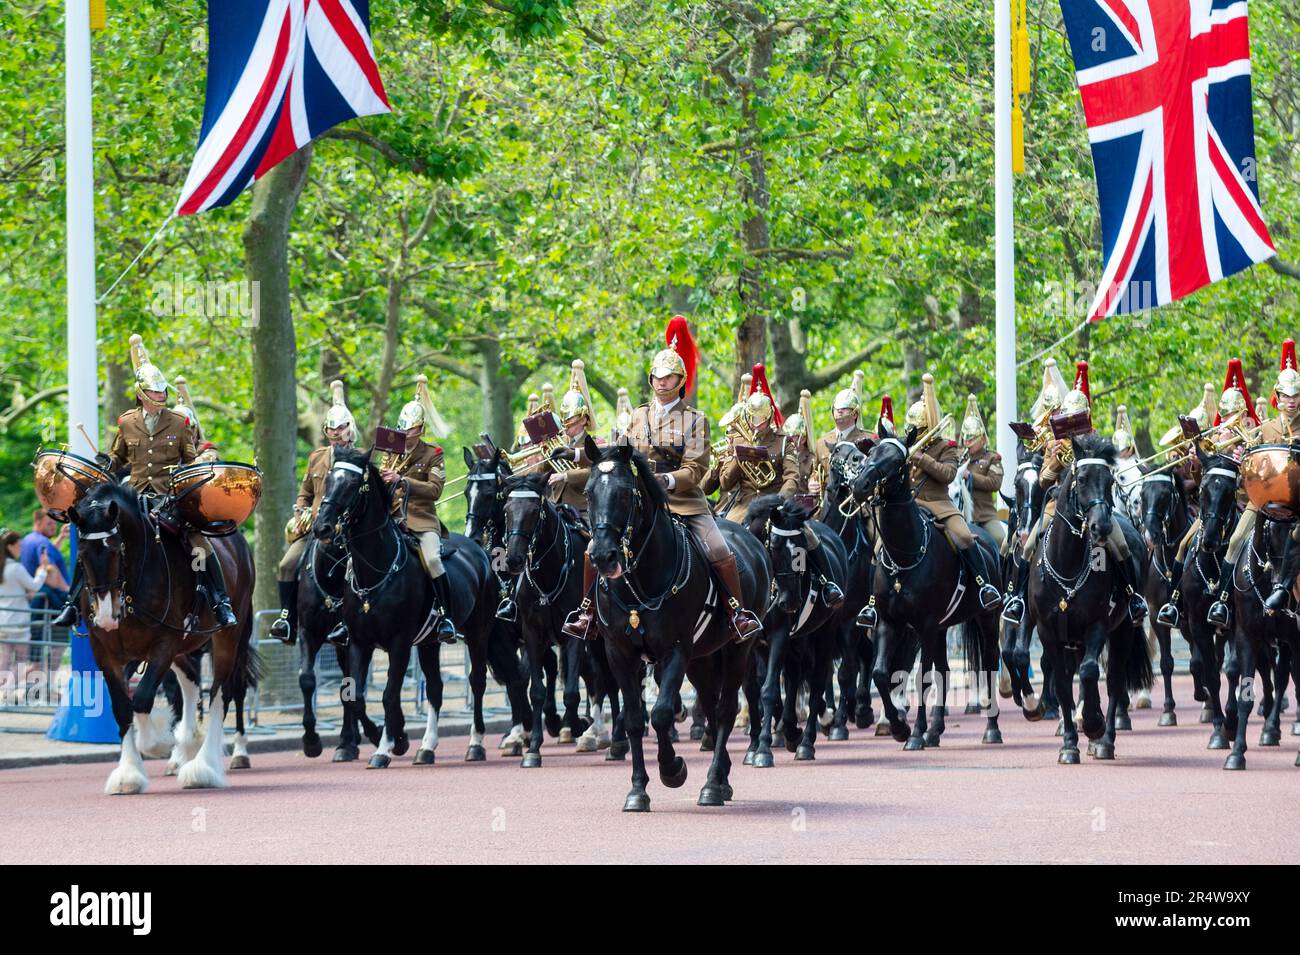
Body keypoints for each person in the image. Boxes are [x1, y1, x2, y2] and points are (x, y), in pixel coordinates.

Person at [562, 316, 763, 642]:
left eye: (669, 377)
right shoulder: (636, 416)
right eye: (657, 376)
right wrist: (575, 457)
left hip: (682, 499)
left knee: (719, 547)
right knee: (592, 549)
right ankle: (587, 612)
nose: (661, 382)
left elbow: (696, 468)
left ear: (680, 381)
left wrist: (667, 481)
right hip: (637, 500)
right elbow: (615, 455)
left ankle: (736, 612)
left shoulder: (695, 420)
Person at [55, 333, 237, 630]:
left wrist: (197, 470)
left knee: (198, 544)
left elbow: (189, 460)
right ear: (141, 393)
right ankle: (72, 604)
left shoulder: (178, 423)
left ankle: (220, 601)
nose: (161, 396)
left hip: (168, 498)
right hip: (133, 496)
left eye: (163, 392)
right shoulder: (127, 422)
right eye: (155, 392)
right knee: (95, 541)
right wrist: (107, 463)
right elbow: (118, 456)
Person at [1003, 360, 1148, 625]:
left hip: (1093, 508)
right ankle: (1018, 600)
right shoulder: (1053, 444)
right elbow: (1045, 482)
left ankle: (1133, 596)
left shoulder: (1097, 442)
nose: (1073, 424)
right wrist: (1056, 459)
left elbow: (1107, 476)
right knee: (1029, 545)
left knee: (1122, 545)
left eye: (1078, 417)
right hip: (1058, 507)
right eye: (1069, 417)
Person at [329, 374, 457, 647]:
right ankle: (345, 619)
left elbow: (434, 490)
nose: (405, 434)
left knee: (433, 560)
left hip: (421, 520)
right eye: (403, 428)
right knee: (353, 559)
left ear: (420, 429)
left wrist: (402, 480)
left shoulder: (432, 454)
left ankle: (445, 616)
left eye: (410, 430)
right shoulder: (391, 449)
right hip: (390, 519)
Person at [718, 366, 843, 608]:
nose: (755, 425)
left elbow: (792, 478)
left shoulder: (783, 443)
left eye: (760, 420)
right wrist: (737, 458)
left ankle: (828, 583)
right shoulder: (738, 441)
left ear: (768, 418)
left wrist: (779, 501)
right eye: (752, 419)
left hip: (776, 504)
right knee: (721, 539)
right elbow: (725, 483)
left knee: (808, 535)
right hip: (743, 505)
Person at [1203, 351, 1294, 624]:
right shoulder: (1265, 429)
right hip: (1264, 500)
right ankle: (1222, 602)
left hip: (1296, 502)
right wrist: (1242, 457)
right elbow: (1252, 469)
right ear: (1278, 396)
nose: (1291, 401)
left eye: (1295, 395)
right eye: (1286, 396)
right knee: (1234, 539)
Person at [902, 373, 1002, 611]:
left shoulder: (946, 447)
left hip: (938, 504)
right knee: (879, 544)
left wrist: (922, 458)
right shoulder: (903, 446)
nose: (912, 434)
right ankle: (874, 602)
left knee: (966, 537)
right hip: (910, 504)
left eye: (917, 429)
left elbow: (948, 475)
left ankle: (984, 585)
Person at [269, 380, 356, 644]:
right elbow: (305, 491)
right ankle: (287, 619)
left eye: (341, 428)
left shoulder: (359, 457)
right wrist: (300, 510)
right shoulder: (317, 457)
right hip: (317, 528)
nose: (336, 433)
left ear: (350, 430)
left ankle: (352, 621)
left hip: (349, 531)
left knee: (357, 570)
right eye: (331, 428)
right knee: (286, 565)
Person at [808, 370, 871, 499]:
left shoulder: (868, 440)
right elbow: (816, 471)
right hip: (828, 503)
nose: (839, 411)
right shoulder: (822, 442)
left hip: (858, 505)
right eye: (837, 408)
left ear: (855, 413)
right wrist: (812, 483)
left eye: (845, 408)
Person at [957, 394, 1006, 551]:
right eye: (965, 439)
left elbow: (994, 483)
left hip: (984, 516)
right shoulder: (958, 458)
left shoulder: (992, 458)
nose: (967, 443)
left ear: (983, 439)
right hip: (959, 515)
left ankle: (1005, 574)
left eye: (972, 439)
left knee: (1000, 539)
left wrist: (970, 476)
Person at [1, 529, 51, 680]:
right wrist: (42, 570)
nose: (21, 549)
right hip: (19, 623)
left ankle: (4, 693)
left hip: (3, 622)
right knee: (20, 662)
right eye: (19, 545)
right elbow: (34, 586)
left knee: (3, 661)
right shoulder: (15, 568)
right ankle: (7, 692)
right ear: (10, 547)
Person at [21, 508, 69, 624]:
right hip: (48, 599)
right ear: (38, 523)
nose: (53, 526)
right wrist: (68, 590)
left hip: (36, 596)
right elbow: (50, 568)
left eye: (54, 523)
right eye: (49, 523)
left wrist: (61, 537)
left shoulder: (28, 539)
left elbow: (48, 554)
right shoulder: (42, 542)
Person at [172, 377, 220, 464]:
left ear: (196, 429)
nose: (189, 432)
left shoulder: (205, 448)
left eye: (192, 427)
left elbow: (209, 457)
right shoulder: (170, 451)